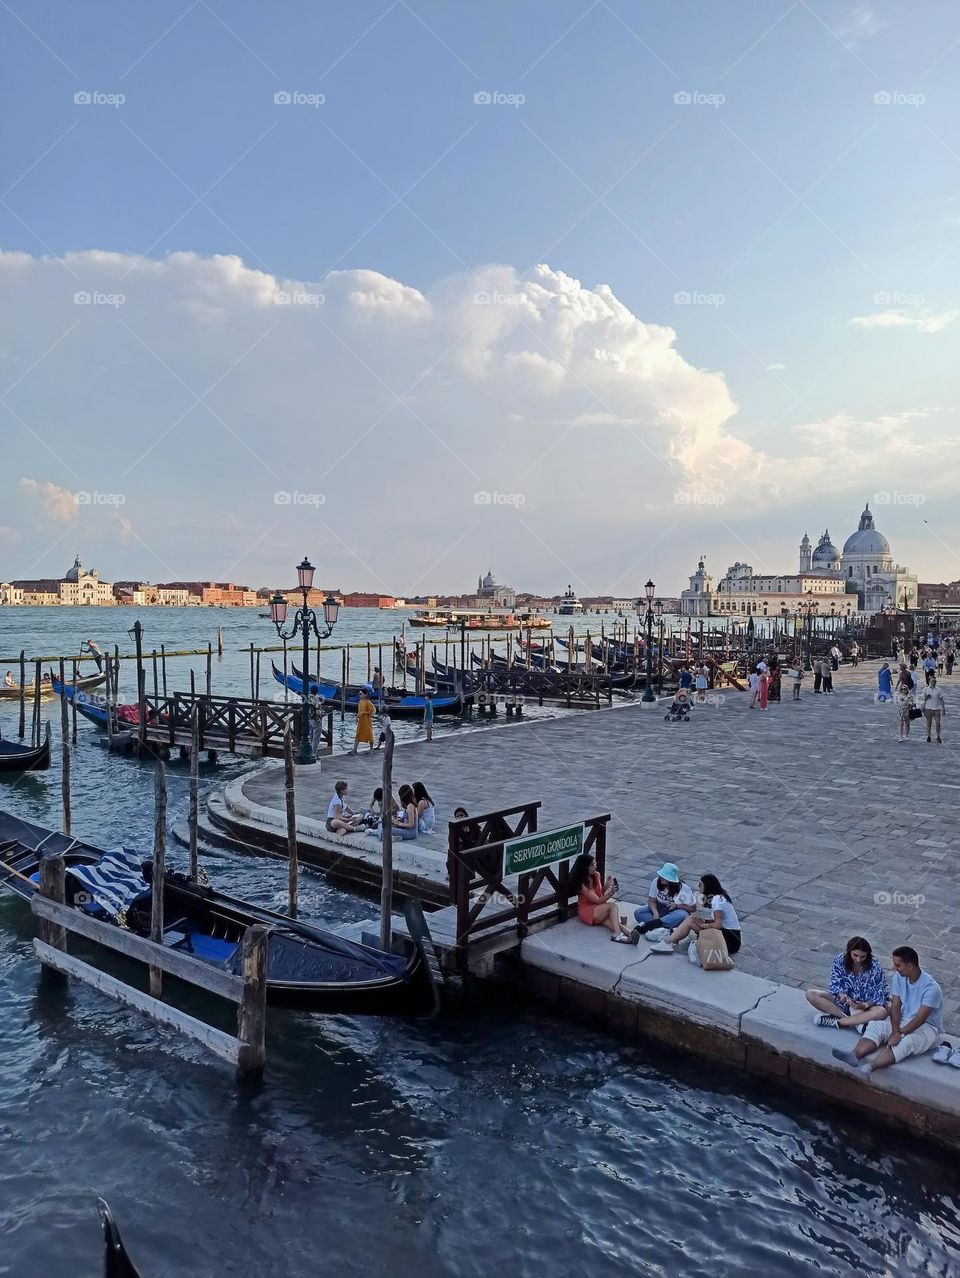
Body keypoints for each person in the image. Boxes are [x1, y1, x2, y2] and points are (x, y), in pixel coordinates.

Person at [832, 946, 942, 1076]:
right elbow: (896, 1006)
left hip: (927, 1027)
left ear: (910, 966)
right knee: (876, 1025)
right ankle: (854, 1055)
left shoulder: (932, 988)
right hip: (905, 1018)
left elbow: (921, 1018)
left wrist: (900, 1034)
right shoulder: (898, 977)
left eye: (898, 965)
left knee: (906, 1042)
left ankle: (872, 1067)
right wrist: (895, 1030)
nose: (893, 968)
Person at [806, 937, 890, 1028]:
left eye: (862, 957)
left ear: (867, 955)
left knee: (882, 1011)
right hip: (844, 1002)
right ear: (849, 952)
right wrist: (842, 995)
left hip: (865, 1006)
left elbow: (878, 993)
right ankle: (854, 1022)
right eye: (855, 955)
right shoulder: (840, 959)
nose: (858, 960)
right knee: (811, 994)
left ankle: (840, 1022)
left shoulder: (874, 965)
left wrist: (864, 1005)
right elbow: (835, 982)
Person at [649, 873, 741, 956]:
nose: (698, 887)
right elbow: (721, 921)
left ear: (708, 887)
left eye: (700, 885)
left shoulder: (717, 900)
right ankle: (671, 941)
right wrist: (703, 920)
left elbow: (718, 925)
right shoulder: (720, 897)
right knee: (692, 919)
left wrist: (703, 925)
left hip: (729, 941)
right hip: (731, 938)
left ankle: (668, 942)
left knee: (689, 921)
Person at [569, 852, 634, 943]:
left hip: (598, 909)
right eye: (592, 865)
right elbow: (597, 900)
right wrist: (610, 893)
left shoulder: (596, 875)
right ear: (585, 868)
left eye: (594, 863)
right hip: (588, 911)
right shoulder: (582, 884)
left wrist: (606, 887)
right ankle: (617, 933)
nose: (595, 866)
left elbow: (599, 895)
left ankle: (630, 934)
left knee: (615, 923)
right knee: (612, 906)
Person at [631, 862, 696, 938]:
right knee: (638, 912)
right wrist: (655, 913)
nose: (661, 877)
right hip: (660, 909)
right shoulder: (656, 881)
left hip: (674, 912)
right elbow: (651, 900)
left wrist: (677, 906)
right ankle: (661, 927)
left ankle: (648, 926)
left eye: (664, 876)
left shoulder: (684, 889)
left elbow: (693, 908)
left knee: (682, 915)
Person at [921, 675, 945, 743]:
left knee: (938, 723)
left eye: (935, 681)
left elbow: (941, 700)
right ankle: (928, 736)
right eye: (933, 681)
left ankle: (938, 736)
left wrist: (943, 708)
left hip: (937, 708)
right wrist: (926, 698)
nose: (934, 682)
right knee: (929, 723)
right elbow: (922, 699)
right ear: (929, 682)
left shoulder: (939, 690)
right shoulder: (925, 689)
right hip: (928, 708)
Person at [351, 689, 375, 754]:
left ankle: (371, 748)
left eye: (360, 694)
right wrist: (357, 718)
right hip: (361, 721)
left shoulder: (368, 702)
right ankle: (355, 748)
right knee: (358, 734)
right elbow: (359, 711)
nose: (359, 695)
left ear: (365, 694)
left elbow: (372, 711)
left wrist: (364, 712)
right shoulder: (360, 701)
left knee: (369, 734)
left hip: (366, 721)